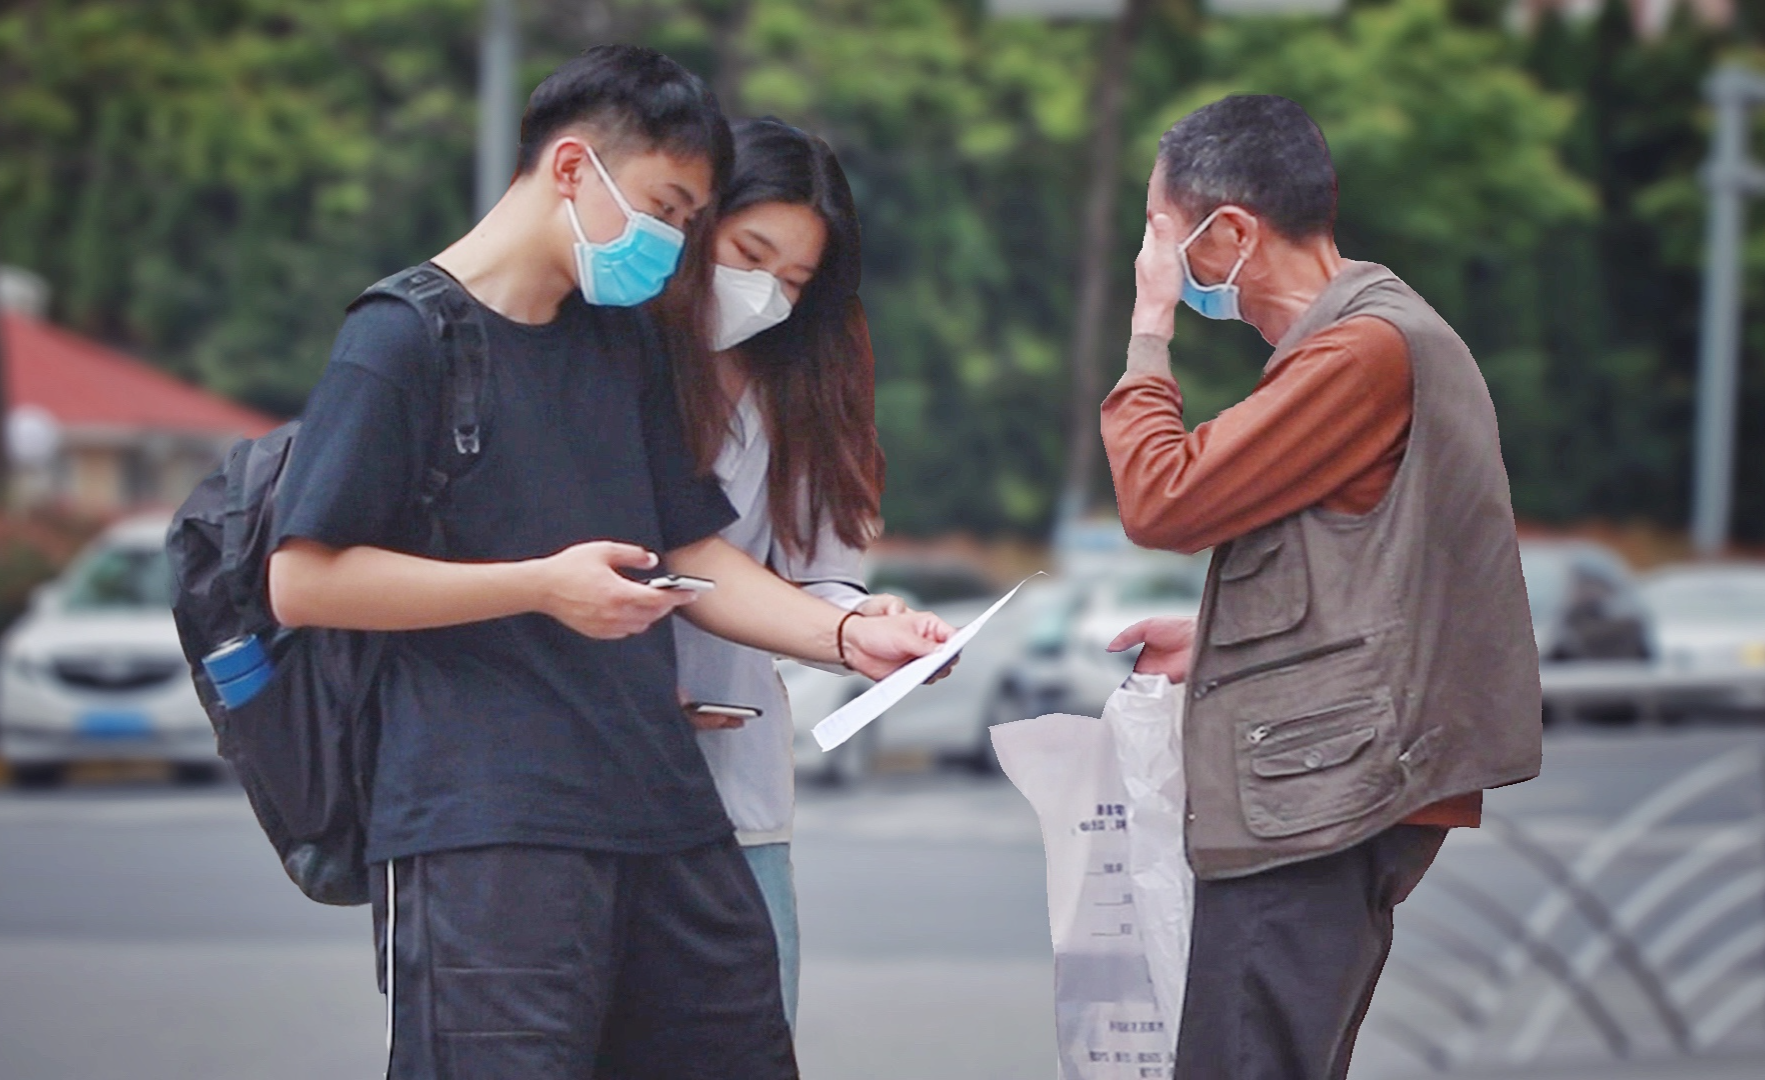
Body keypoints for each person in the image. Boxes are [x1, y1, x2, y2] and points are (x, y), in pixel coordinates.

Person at [264, 47, 949, 1079]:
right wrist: (539, 586)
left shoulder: (618, 345)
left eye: (688, 220)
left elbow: (693, 550)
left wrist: (848, 633)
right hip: (484, 821)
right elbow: (304, 581)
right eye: (668, 209)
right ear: (574, 167)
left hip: (661, 813)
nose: (673, 246)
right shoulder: (403, 338)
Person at [1100, 95, 1542, 1080]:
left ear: (1232, 233)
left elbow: (1161, 498)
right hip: (1323, 773)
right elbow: (1371, 563)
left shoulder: (1362, 349)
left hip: (1312, 790)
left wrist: (1146, 326)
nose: (1155, 258)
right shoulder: (1367, 335)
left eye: (1158, 233)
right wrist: (1210, 635)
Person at [651, 117, 902, 1030]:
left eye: (793, 281)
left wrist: (865, 621)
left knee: (749, 1038)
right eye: (749, 254)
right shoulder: (608, 354)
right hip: (587, 779)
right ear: (692, 223)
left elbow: (820, 574)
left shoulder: (798, 384)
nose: (762, 293)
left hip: (733, 789)